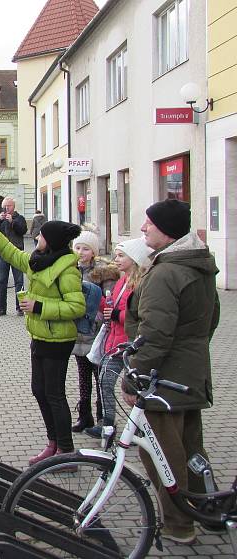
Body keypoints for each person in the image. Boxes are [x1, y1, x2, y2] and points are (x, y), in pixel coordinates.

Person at [122, 199, 219, 545]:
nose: (144, 228)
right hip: (192, 372)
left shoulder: (165, 272)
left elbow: (155, 333)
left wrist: (134, 374)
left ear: (166, 230)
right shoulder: (198, 264)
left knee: (162, 453)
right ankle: (208, 510)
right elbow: (212, 320)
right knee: (192, 448)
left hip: (163, 378)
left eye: (149, 223)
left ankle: (179, 524)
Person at [0, 219, 86, 465]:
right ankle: (53, 443)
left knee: (55, 395)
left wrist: (39, 306)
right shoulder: (38, 261)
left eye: (40, 235)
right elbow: (11, 253)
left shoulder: (67, 269)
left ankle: (66, 450)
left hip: (57, 340)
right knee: (39, 390)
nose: (36, 237)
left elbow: (77, 306)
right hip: (39, 336)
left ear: (50, 241)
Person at [84, 237, 151, 438]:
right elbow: (113, 306)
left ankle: (140, 428)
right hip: (115, 341)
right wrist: (98, 299)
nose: (117, 259)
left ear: (135, 258)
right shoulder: (122, 280)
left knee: (136, 389)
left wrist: (116, 314)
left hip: (131, 343)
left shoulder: (141, 283)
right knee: (105, 381)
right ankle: (108, 424)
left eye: (122, 256)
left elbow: (139, 315)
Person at [70, 226, 119, 433]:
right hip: (79, 331)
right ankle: (84, 416)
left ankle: (102, 418)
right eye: (78, 248)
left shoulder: (103, 273)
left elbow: (110, 300)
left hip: (98, 332)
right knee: (83, 377)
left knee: (100, 377)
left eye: (86, 249)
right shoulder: (71, 269)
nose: (81, 253)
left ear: (94, 252)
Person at [0, 196, 27, 316]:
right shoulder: (1, 219)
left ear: (13, 206)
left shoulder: (20, 218)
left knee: (19, 282)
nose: (6, 208)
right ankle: (1, 309)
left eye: (8, 206)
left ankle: (20, 308)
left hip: (17, 253)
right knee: (1, 282)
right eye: (4, 206)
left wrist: (12, 222)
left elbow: (22, 231)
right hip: (2, 255)